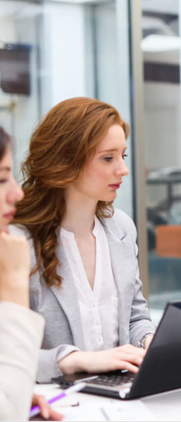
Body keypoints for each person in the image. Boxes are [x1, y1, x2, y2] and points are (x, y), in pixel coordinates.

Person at [11, 98, 156, 383]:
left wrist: (148, 340)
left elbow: (136, 317)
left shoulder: (122, 229)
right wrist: (76, 360)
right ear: (66, 161)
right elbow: (9, 352)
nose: (123, 169)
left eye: (123, 156)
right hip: (57, 399)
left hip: (121, 391)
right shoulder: (19, 244)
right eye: (107, 158)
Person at [0, 126, 62, 421]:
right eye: (1, 179)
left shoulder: (121, 229)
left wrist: (13, 392)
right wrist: (13, 284)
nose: (17, 192)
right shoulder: (19, 247)